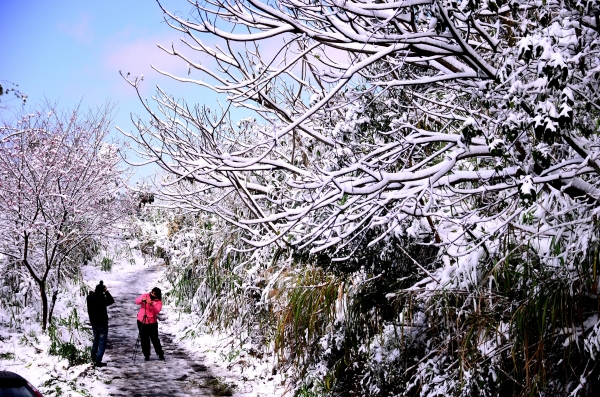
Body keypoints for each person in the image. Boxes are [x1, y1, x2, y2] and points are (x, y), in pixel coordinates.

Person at [86, 280, 114, 367]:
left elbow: (96, 295)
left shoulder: (89, 297)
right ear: (102, 290)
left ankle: (93, 358)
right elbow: (111, 300)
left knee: (96, 340)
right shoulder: (102, 299)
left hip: (94, 323)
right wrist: (106, 292)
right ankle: (98, 361)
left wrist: (101, 290)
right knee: (102, 343)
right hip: (102, 323)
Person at [135, 287, 164, 361]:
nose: (153, 294)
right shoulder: (146, 295)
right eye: (152, 293)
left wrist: (151, 304)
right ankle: (146, 355)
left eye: (155, 294)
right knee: (144, 339)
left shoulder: (159, 302)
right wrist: (142, 300)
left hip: (152, 322)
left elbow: (156, 311)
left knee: (155, 339)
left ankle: (160, 354)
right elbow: (137, 301)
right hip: (141, 320)